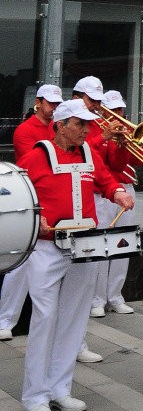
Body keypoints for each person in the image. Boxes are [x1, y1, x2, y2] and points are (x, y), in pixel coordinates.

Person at [18, 99, 134, 411]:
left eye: (87, 124)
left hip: (85, 244)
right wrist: (35, 217)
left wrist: (118, 193)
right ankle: (36, 397)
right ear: (61, 124)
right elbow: (19, 193)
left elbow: (106, 180)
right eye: (79, 124)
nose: (86, 129)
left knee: (74, 317)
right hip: (48, 248)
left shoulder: (89, 153)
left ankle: (59, 387)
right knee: (45, 317)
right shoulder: (37, 156)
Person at [0, 84, 63, 342]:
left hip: (53, 196)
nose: (54, 108)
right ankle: (5, 320)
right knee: (20, 264)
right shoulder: (25, 130)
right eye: (51, 103)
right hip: (31, 199)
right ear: (38, 102)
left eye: (58, 104)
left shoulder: (58, 126)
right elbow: (38, 163)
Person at [90, 90, 139, 317]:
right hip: (103, 194)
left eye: (120, 110)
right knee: (100, 245)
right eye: (114, 110)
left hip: (125, 190)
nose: (118, 115)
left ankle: (116, 295)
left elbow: (122, 164)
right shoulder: (95, 129)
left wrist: (122, 144)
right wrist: (108, 138)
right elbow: (100, 163)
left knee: (123, 243)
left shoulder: (123, 131)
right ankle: (97, 298)